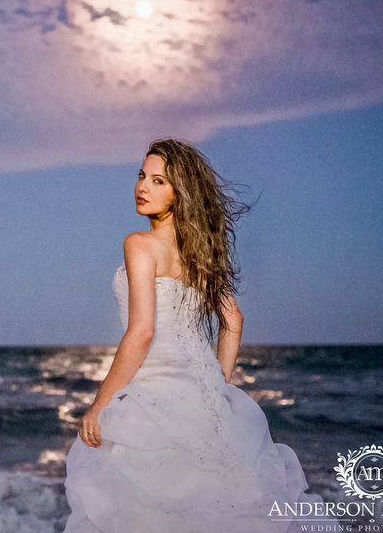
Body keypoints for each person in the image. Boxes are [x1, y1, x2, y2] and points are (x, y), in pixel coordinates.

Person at [62, 139, 340, 533]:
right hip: (205, 398)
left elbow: (141, 333)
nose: (143, 187)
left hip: (152, 398)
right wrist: (215, 385)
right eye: (142, 176)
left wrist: (98, 406)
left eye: (159, 181)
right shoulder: (201, 254)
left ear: (180, 193)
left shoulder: (139, 244)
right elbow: (235, 321)